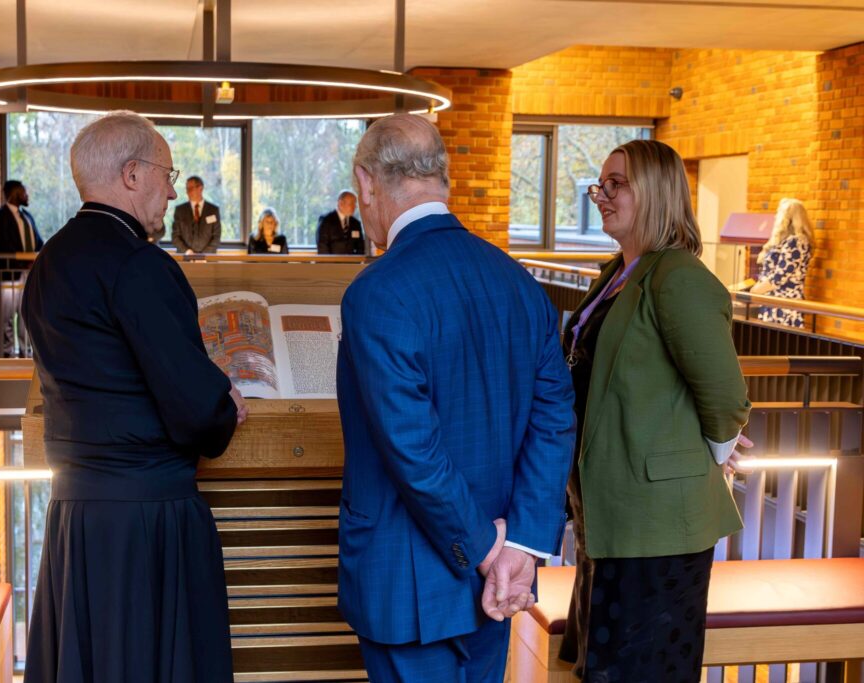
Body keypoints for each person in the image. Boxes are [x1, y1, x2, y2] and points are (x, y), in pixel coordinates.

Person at [336, 114, 575, 682]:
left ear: (366, 184)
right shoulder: (519, 284)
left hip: (409, 582)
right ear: (441, 177)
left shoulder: (377, 292)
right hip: (500, 574)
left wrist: (488, 551)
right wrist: (521, 545)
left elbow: (412, 449)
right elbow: (555, 419)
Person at [21, 110, 247, 683]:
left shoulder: (45, 265)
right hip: (149, 518)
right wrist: (226, 403)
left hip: (75, 516)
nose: (173, 191)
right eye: (168, 175)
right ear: (131, 175)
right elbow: (197, 413)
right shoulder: (141, 265)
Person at [559, 139, 752, 682]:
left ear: (659, 192)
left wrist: (706, 457)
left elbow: (725, 399)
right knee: (603, 670)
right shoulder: (617, 274)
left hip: (658, 525)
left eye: (616, 184)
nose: (601, 195)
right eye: (601, 184)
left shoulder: (679, 278)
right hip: (609, 515)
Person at [0, 180, 44, 357]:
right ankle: (7, 353)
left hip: (28, 275)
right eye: (24, 192)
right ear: (14, 193)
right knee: (6, 316)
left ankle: (25, 352)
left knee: (25, 315)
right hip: (9, 274)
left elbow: (38, 241)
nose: (27, 195)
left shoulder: (27, 216)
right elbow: (3, 244)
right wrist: (23, 262)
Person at [752, 198, 813, 327]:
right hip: (773, 303)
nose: (775, 217)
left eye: (779, 213)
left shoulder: (796, 242)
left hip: (784, 307)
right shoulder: (785, 241)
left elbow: (779, 277)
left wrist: (754, 291)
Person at [171, 175, 222, 254]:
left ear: (200, 188)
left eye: (190, 188)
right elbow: (175, 236)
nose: (187, 192)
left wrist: (203, 256)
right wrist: (187, 252)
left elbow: (216, 237)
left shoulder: (213, 210)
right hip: (185, 258)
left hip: (208, 260)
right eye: (187, 189)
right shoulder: (180, 210)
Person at [316, 190, 365, 254]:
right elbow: (322, 246)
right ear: (340, 203)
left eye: (355, 204)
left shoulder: (356, 223)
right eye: (351, 204)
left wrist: (356, 262)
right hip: (331, 262)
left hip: (352, 263)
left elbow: (360, 247)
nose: (355, 207)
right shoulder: (326, 220)